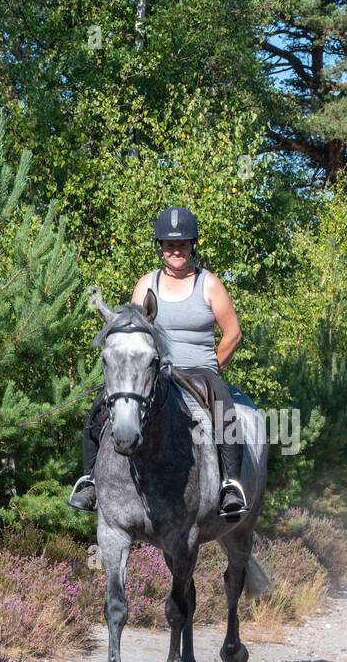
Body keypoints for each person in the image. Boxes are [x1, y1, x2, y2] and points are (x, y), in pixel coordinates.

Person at [68, 206, 249, 520]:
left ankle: (231, 485)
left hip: (199, 372)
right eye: (169, 245)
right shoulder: (145, 284)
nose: (176, 251)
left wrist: (213, 368)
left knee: (224, 409)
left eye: (182, 245)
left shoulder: (209, 284)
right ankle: (90, 481)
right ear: (161, 248)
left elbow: (233, 334)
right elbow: (132, 330)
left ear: (192, 245)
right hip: (154, 371)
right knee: (99, 406)